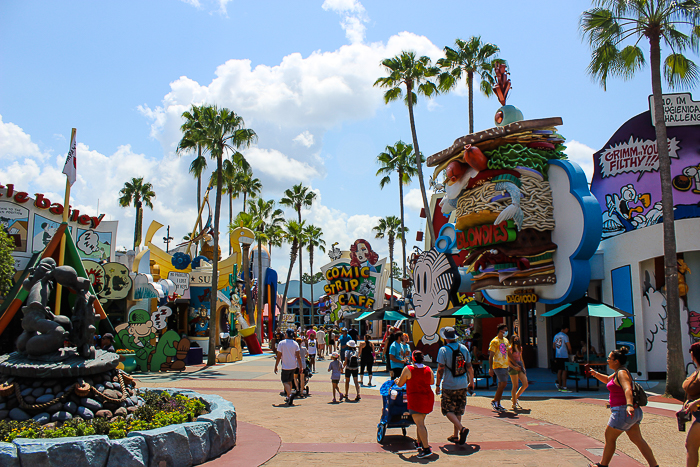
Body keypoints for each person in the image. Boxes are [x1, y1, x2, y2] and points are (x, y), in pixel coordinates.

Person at [587, 347, 658, 467]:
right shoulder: (618, 372)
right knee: (638, 440)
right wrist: (595, 374)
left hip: (623, 411)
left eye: (609, 358)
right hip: (632, 412)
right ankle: (654, 465)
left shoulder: (621, 373)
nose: (607, 360)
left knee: (610, 438)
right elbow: (607, 380)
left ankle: (602, 465)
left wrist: (629, 405)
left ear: (616, 361)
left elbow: (627, 388)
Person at [435, 326, 473, 445]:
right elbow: (469, 367)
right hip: (462, 384)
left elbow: (440, 368)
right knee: (458, 410)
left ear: (445, 338)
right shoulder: (463, 348)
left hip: (449, 384)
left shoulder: (443, 350)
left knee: (447, 409)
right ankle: (456, 436)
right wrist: (471, 382)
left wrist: (437, 384)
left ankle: (462, 429)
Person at [395, 350, 435, 459]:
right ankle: (419, 443)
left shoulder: (408, 369)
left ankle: (426, 449)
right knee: (420, 422)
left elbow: (400, 384)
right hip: (427, 398)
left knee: (420, 424)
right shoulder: (428, 369)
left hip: (416, 399)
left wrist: (396, 381)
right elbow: (432, 382)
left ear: (413, 359)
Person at [274, 329, 303, 406]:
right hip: (293, 366)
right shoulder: (295, 344)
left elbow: (279, 356)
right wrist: (300, 366)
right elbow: (298, 356)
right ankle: (288, 396)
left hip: (285, 366)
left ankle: (290, 395)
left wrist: (276, 365)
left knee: (284, 381)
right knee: (290, 381)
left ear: (286, 335)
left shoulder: (281, 343)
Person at [683, 342, 700, 467]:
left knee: (691, 445)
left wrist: (697, 403)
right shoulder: (697, 370)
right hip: (697, 415)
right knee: (691, 445)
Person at [488, 324, 510, 412]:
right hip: (498, 365)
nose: (506, 332)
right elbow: (491, 356)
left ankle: (498, 402)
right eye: (505, 330)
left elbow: (508, 353)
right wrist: (490, 368)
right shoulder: (494, 341)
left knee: (502, 385)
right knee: (503, 383)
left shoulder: (505, 340)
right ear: (501, 331)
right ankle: (495, 401)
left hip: (505, 365)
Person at [508, 336, 528, 411]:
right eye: (515, 339)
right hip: (513, 367)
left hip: (520, 366)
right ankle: (514, 403)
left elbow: (521, 358)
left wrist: (524, 368)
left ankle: (515, 397)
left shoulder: (520, 348)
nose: (517, 341)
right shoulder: (510, 349)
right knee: (515, 385)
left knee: (525, 384)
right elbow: (508, 361)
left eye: (517, 339)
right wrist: (514, 366)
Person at [553, 326, 572, 392]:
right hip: (564, 355)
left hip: (558, 355)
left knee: (559, 370)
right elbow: (568, 345)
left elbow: (554, 346)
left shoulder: (556, 336)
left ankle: (560, 386)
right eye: (567, 329)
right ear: (565, 329)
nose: (567, 331)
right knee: (564, 370)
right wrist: (570, 352)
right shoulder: (565, 336)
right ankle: (564, 386)